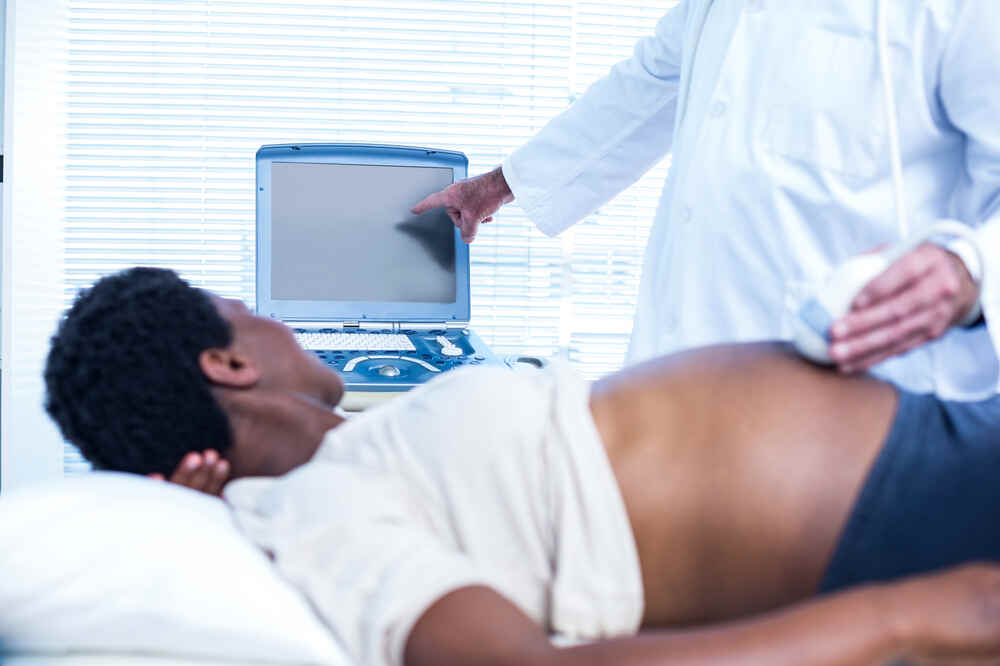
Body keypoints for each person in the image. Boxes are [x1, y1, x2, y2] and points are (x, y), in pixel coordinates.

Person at [43, 266, 1000, 666]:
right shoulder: (311, 520)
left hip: (940, 442)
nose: (276, 314)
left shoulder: (373, 450)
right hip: (913, 524)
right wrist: (902, 617)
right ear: (231, 362)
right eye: (251, 306)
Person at [412, 1, 1000, 400]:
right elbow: (646, 87)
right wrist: (495, 186)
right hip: (682, 375)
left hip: (862, 396)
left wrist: (971, 268)